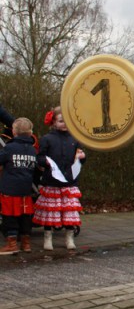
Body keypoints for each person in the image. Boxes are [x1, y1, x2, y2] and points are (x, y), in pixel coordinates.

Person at [33, 107, 86, 250]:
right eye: (61, 121)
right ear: (54, 122)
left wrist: (82, 157)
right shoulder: (47, 139)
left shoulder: (75, 139)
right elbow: (39, 158)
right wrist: (45, 161)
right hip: (51, 181)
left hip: (69, 182)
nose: (64, 124)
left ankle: (69, 239)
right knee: (51, 211)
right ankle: (47, 239)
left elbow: (80, 157)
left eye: (67, 121)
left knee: (69, 212)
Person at [0, 118, 37, 255]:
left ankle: (12, 244)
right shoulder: (33, 150)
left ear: (14, 132)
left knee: (9, 216)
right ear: (30, 132)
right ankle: (26, 244)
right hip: (26, 189)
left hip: (10, 189)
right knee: (25, 216)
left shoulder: (9, 148)